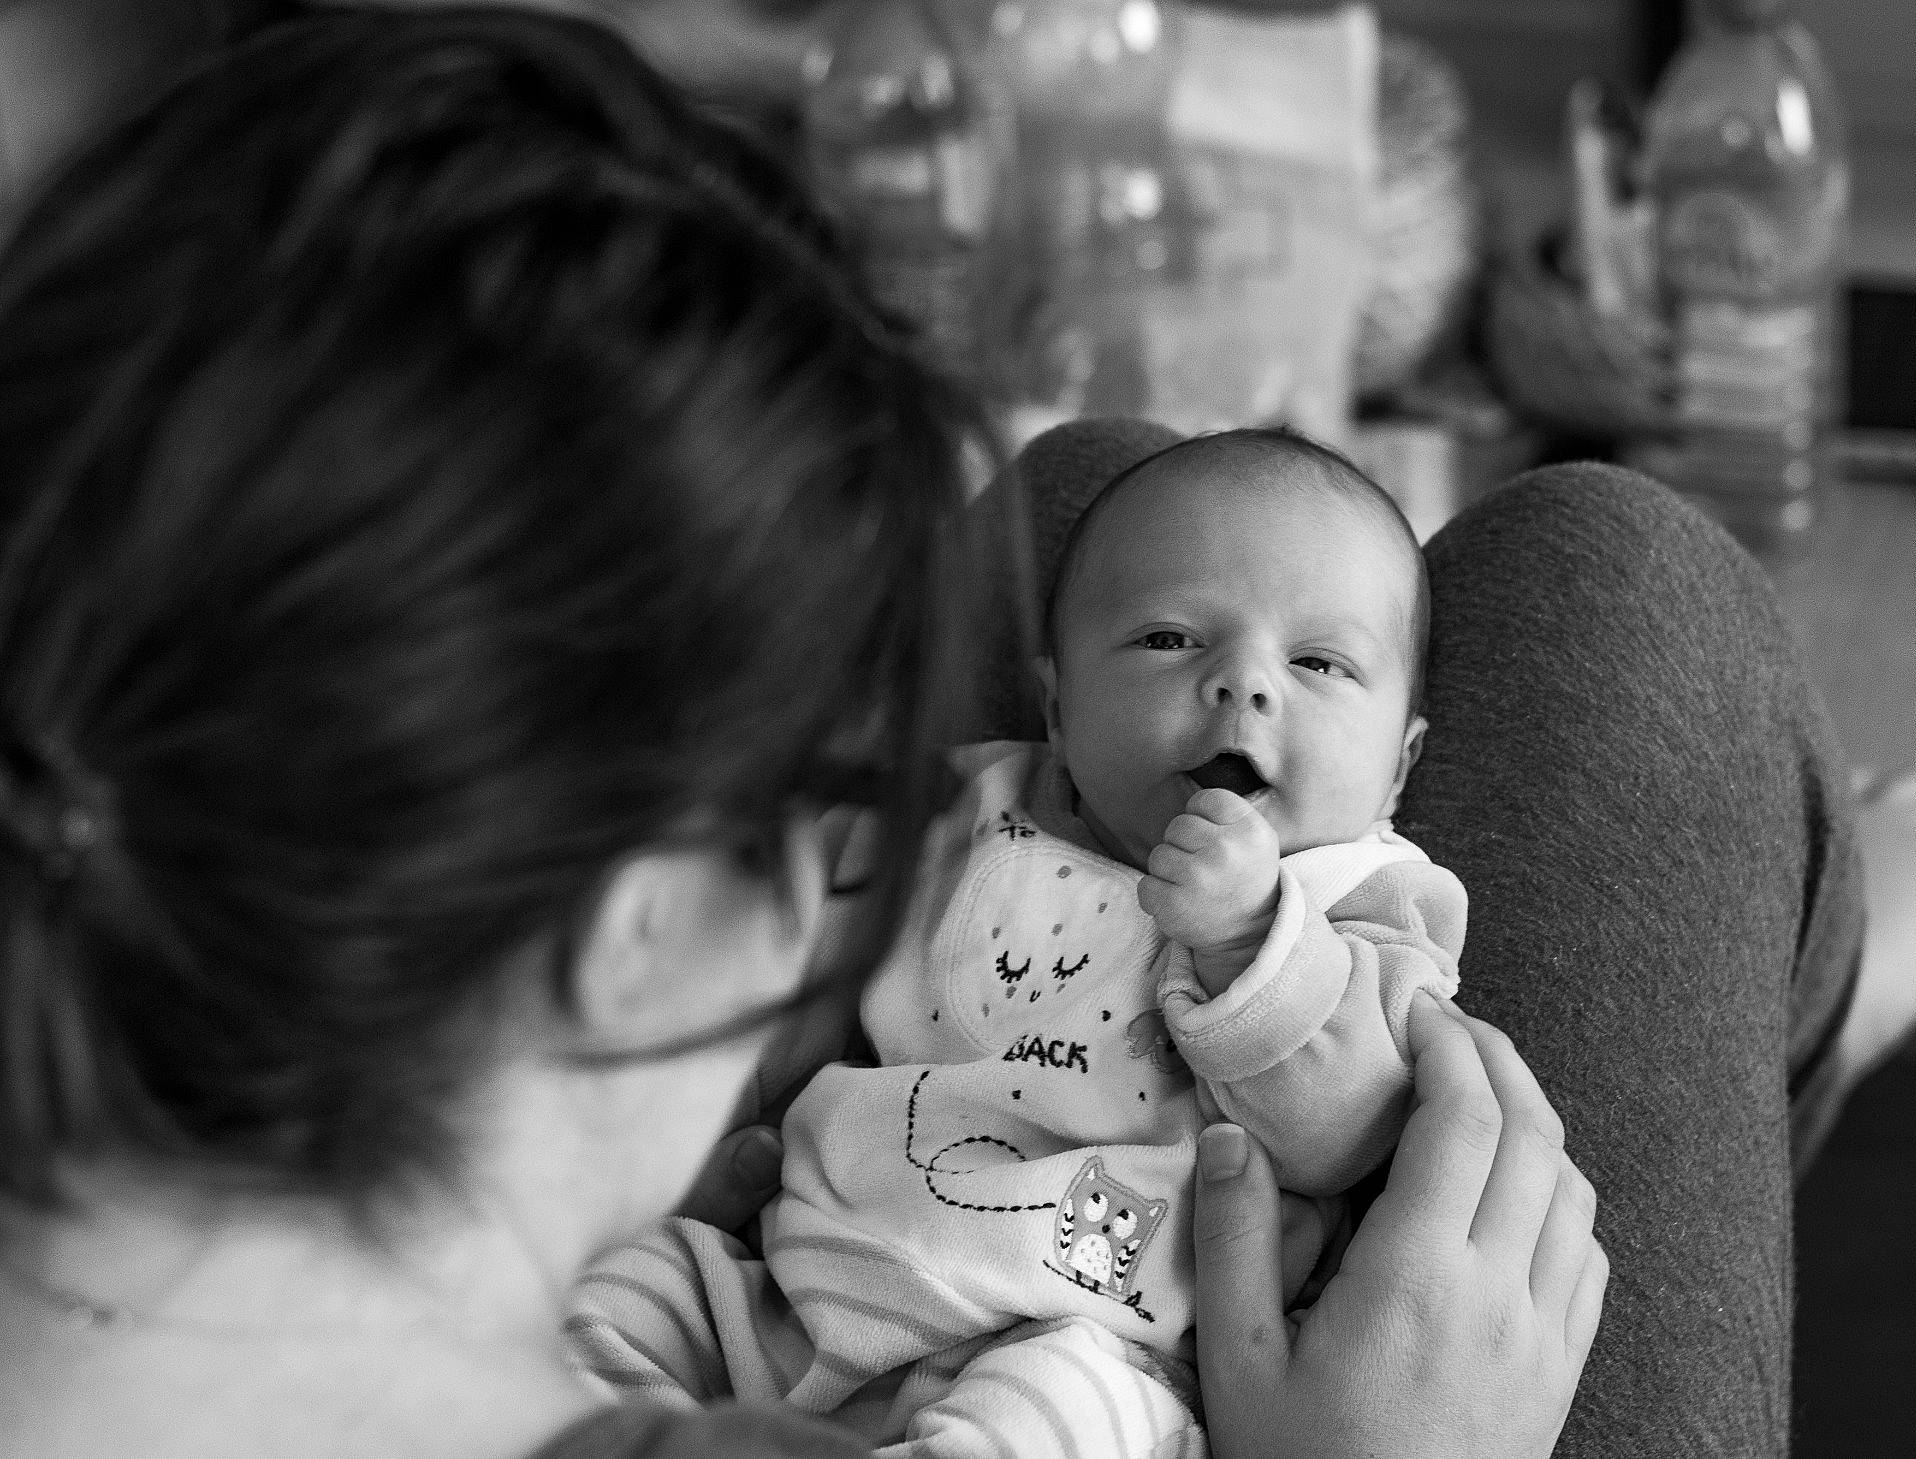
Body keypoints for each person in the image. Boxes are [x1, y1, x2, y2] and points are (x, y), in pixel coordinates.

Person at [0, 10, 1602, 1459]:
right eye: (828, 788)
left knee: (1100, 478)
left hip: (1045, 1295)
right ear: (628, 931)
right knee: (1596, 561)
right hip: (1129, 1353)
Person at [570, 427, 1468, 1455]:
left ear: (1397, 769)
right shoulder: (970, 802)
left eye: (1317, 661)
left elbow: (1353, 1125)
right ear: (1055, 704)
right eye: (1169, 639)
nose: (1244, 684)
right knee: (606, 1302)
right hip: (786, 1283)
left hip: (1088, 1337)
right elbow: (775, 926)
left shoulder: (1361, 895)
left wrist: (1251, 938)